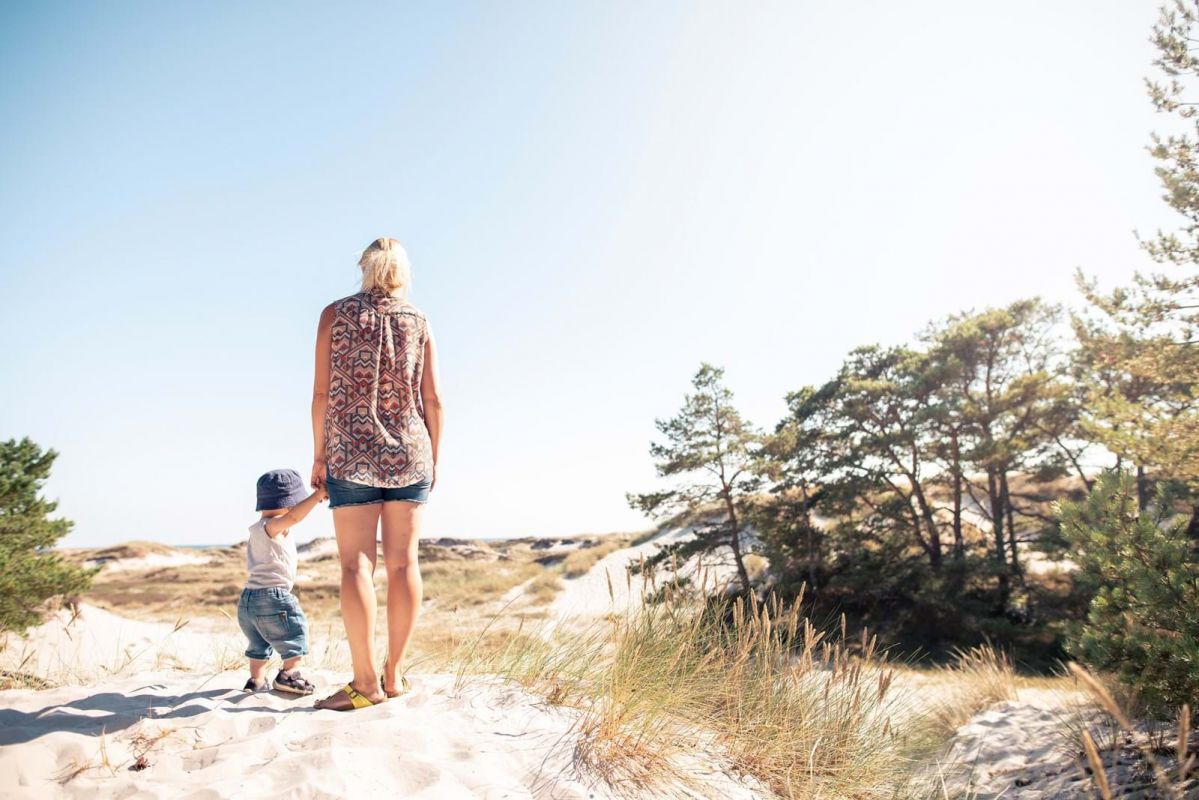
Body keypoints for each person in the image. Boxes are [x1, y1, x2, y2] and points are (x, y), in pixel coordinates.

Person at [312, 237, 444, 711]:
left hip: (350, 450)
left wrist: (318, 455)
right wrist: (435, 458)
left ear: (364, 267)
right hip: (411, 451)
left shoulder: (334, 315)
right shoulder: (419, 321)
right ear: (403, 271)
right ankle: (394, 677)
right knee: (404, 564)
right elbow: (433, 401)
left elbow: (322, 396)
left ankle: (364, 683)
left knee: (355, 565)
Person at [238, 468, 324, 695]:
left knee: (258, 644)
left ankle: (256, 680)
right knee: (295, 631)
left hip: (248, 600)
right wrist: (315, 497)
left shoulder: (258, 529)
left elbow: (291, 516)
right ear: (291, 503)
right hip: (271, 597)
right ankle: (289, 674)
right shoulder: (273, 526)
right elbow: (293, 517)